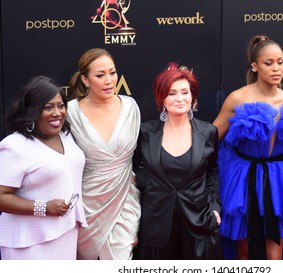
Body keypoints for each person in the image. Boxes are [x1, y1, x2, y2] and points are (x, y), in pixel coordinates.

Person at [212, 34, 283, 260]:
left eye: (280, 62)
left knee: (276, 253)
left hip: (281, 182)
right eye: (268, 63)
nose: (276, 68)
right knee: (242, 252)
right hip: (243, 180)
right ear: (254, 66)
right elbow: (210, 138)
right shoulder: (237, 98)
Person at [133, 63, 222, 259]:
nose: (180, 98)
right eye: (172, 93)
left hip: (198, 221)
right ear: (161, 98)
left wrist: (215, 206)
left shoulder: (208, 132)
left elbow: (212, 171)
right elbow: (134, 170)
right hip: (156, 224)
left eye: (185, 92)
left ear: (193, 96)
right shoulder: (145, 133)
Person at [0, 76, 87, 260]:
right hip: (28, 244)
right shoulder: (15, 146)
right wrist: (43, 208)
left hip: (66, 233)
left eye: (61, 105)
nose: (57, 113)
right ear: (32, 111)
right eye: (48, 107)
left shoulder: (66, 135)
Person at [67, 48, 141, 260]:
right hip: (86, 203)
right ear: (85, 79)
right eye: (100, 75)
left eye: (113, 72)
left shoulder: (130, 107)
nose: (109, 80)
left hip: (125, 199)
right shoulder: (71, 112)